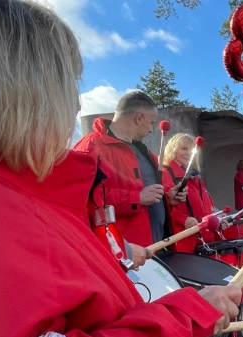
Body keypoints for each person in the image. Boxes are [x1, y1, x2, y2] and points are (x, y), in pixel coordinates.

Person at [0, 1, 241, 337]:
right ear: (26, 89)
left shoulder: (13, 194)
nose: (73, 102)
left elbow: (67, 281)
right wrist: (183, 318)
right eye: (66, 84)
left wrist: (118, 251)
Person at [76, 91, 187, 247]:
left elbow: (152, 195)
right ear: (139, 117)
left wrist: (169, 198)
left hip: (157, 249)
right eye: (152, 123)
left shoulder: (146, 152)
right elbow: (82, 199)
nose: (151, 130)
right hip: (123, 255)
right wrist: (136, 198)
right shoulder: (92, 146)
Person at [161, 133, 230, 252]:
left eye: (192, 149)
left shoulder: (196, 179)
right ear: (172, 149)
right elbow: (162, 208)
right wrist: (183, 220)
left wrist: (217, 220)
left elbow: (206, 209)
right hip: (184, 244)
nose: (188, 153)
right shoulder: (166, 174)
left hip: (205, 242)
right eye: (183, 148)